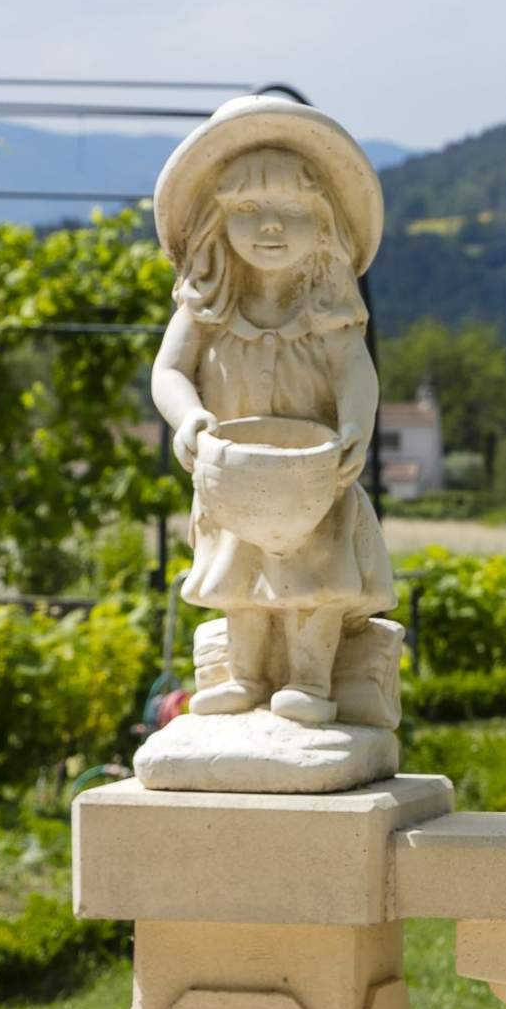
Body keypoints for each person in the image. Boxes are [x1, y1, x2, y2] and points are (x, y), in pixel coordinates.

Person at [151, 96, 391, 725]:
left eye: (293, 211)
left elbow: (355, 373)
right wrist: (190, 419)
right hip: (233, 471)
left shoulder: (329, 310)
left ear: (326, 222)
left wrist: (354, 428)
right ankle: (247, 675)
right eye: (249, 210)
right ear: (215, 219)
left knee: (315, 580)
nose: (271, 227)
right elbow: (169, 371)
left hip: (312, 477)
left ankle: (310, 682)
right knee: (241, 580)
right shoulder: (206, 306)